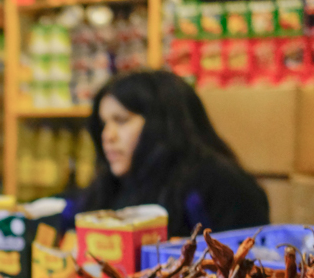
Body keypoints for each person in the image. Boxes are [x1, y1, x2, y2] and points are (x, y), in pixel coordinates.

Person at [68, 70, 269, 237]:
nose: (107, 136)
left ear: (162, 123)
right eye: (103, 124)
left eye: (121, 121)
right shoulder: (112, 185)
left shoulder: (221, 185)